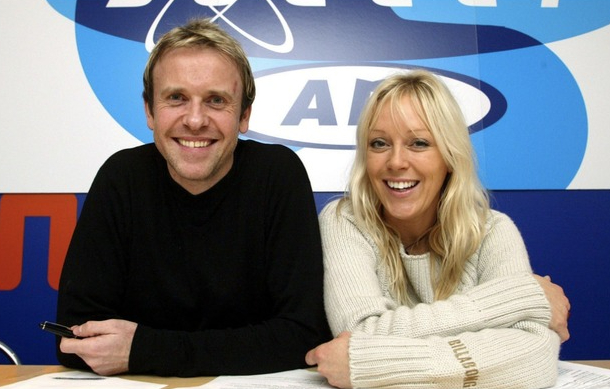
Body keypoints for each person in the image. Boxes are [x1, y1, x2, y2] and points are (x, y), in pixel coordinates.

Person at [56, 18, 331, 377]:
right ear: (150, 112)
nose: (196, 120)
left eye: (216, 100)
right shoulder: (120, 178)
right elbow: (76, 339)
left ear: (244, 115)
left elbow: (302, 336)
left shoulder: (277, 174)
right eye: (176, 98)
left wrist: (145, 350)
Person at [305, 70, 571, 388]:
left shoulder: (494, 231)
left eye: (419, 143)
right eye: (379, 143)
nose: (396, 161)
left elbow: (536, 357)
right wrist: (515, 298)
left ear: (448, 155)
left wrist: (373, 366)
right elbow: (362, 332)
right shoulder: (345, 220)